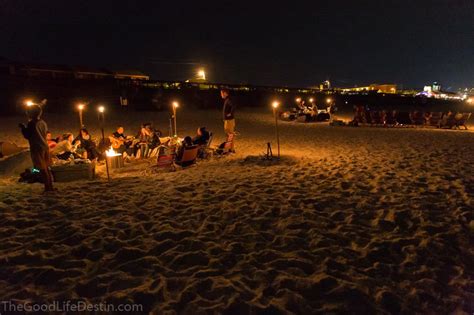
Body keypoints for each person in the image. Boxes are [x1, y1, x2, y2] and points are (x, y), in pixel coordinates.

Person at [19, 104, 54, 192]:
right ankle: (50, 187)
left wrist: (23, 128)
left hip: (37, 147)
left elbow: (28, 135)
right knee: (47, 168)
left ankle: (47, 188)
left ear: (30, 113)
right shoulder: (43, 122)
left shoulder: (32, 123)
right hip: (45, 146)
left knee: (42, 169)